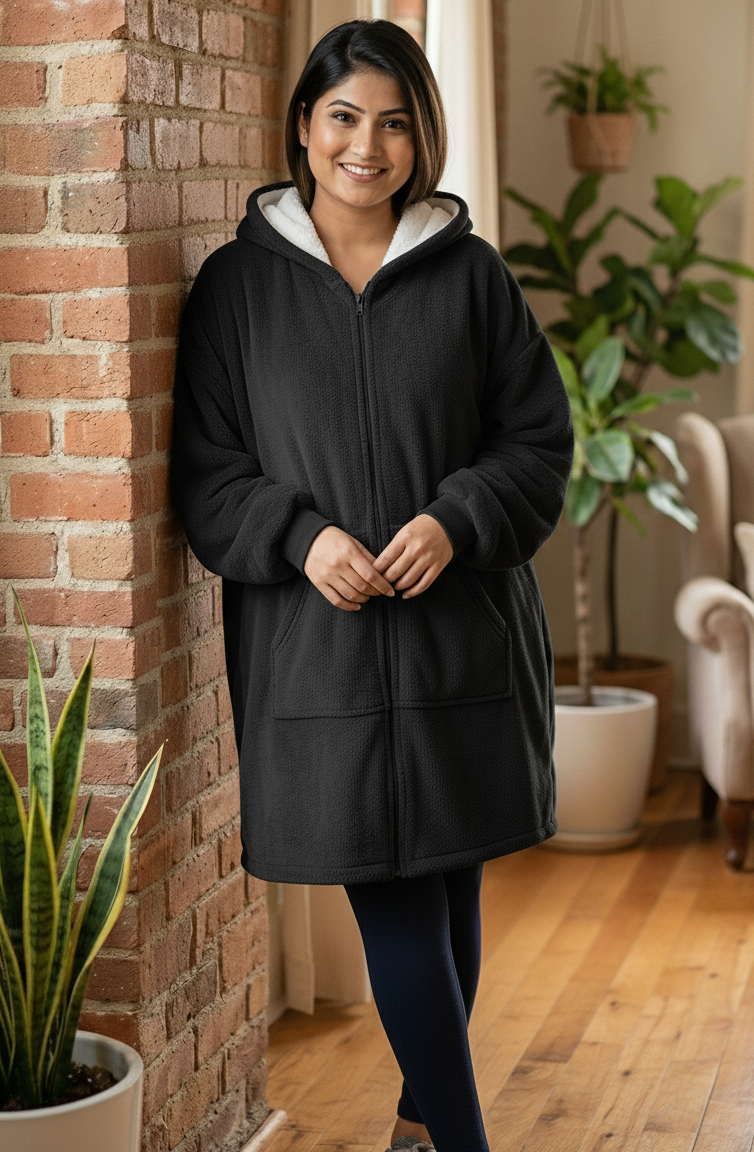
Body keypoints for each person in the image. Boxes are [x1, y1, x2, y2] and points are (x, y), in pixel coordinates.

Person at [169, 18, 573, 1152]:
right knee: (389, 888)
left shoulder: (471, 276)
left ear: (420, 137)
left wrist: (457, 517)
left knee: (446, 891)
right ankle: (461, 1140)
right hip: (316, 659)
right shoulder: (236, 291)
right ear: (303, 126)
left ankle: (415, 1124)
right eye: (343, 116)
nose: (366, 144)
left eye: (394, 122)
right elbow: (207, 473)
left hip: (463, 640)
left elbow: (537, 442)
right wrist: (299, 539)